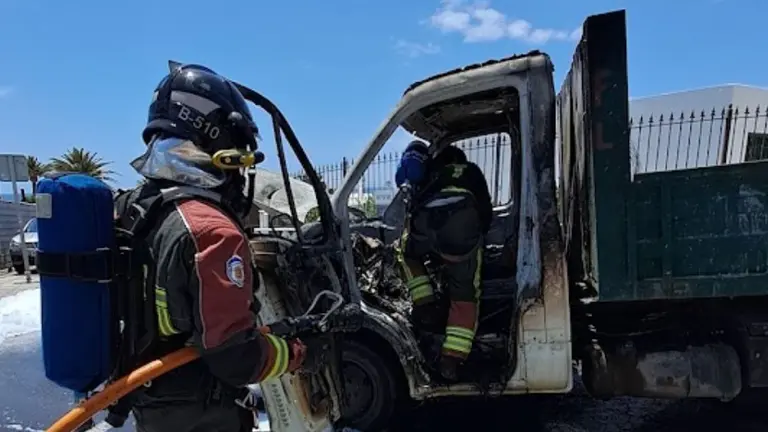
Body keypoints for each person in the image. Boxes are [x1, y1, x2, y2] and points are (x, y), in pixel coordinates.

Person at [117, 63, 307, 432]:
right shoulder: (214, 234)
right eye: (242, 158)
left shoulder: (134, 207)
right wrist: (296, 353)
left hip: (150, 399)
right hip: (199, 412)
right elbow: (236, 358)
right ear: (221, 149)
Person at [394, 141, 493, 381]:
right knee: (465, 295)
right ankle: (451, 359)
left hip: (428, 224)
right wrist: (476, 238)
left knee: (405, 253)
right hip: (462, 231)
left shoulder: (433, 170)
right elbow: (485, 211)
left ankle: (426, 304)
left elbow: (415, 205)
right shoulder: (472, 171)